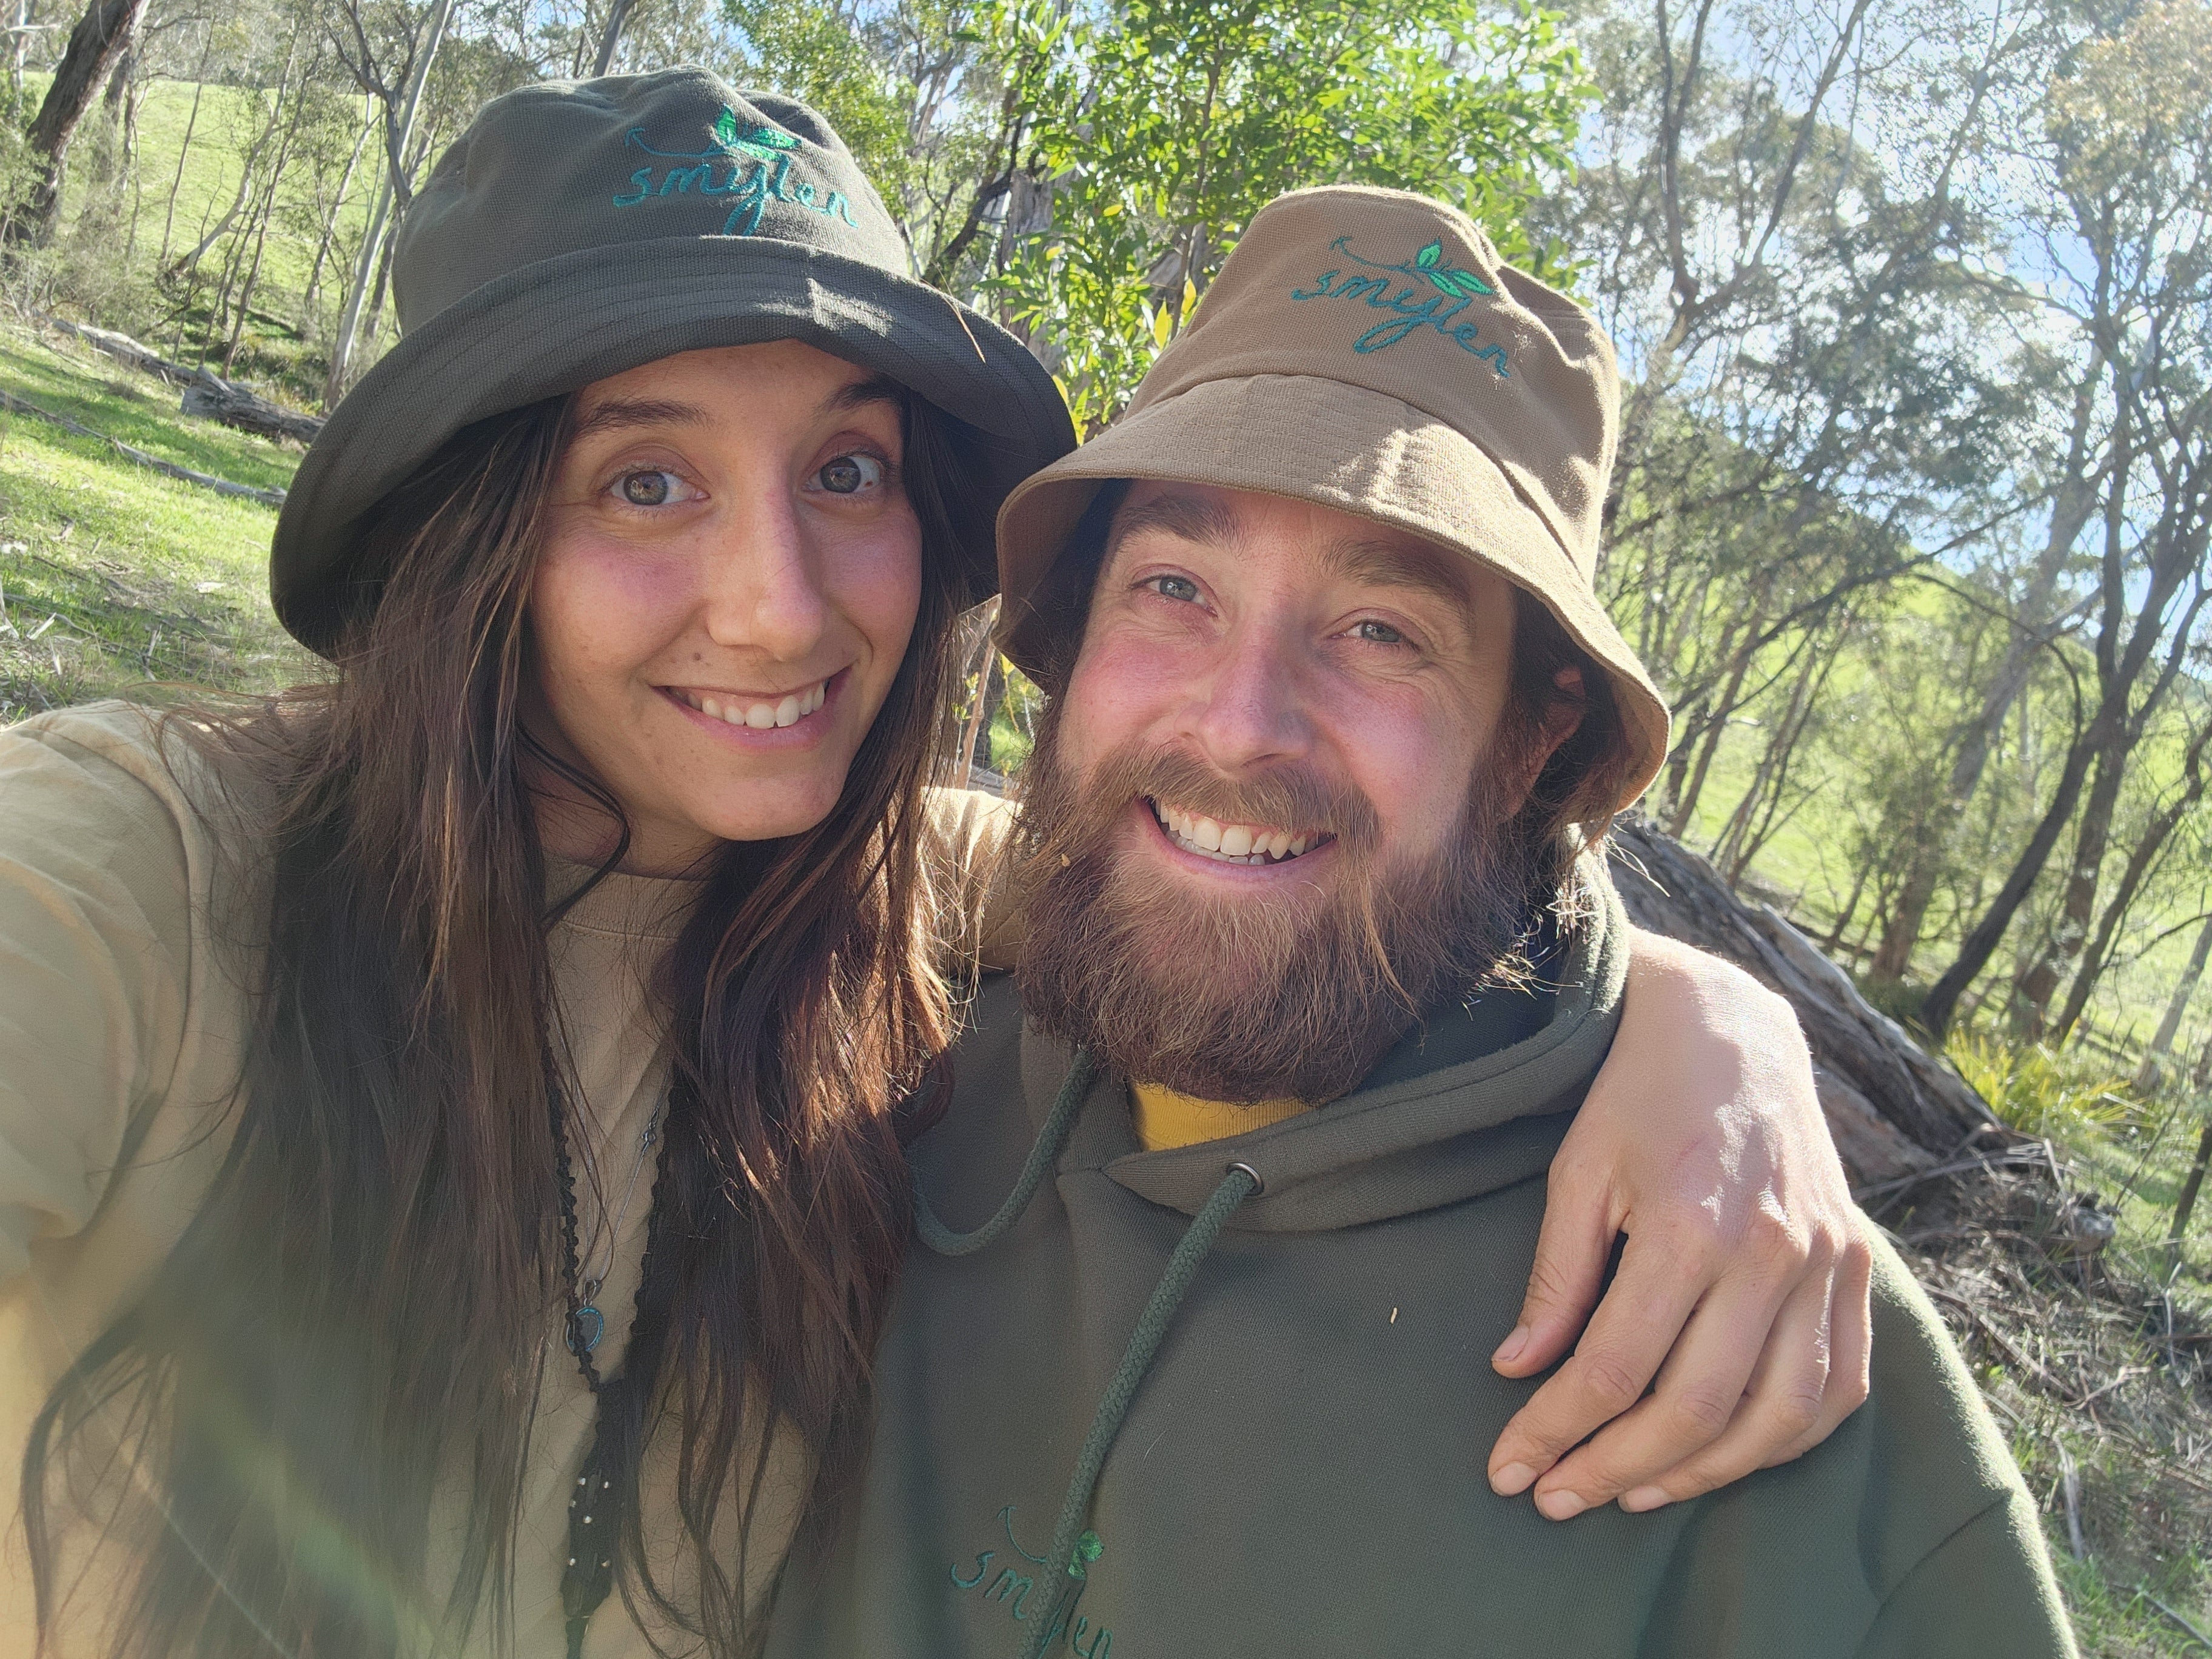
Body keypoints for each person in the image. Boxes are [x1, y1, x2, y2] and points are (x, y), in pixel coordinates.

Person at [1, 73, 1858, 1659]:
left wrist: (1702, 1021)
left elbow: (1253, 861)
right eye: (646, 482)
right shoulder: (146, 874)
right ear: (469, 539)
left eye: (850, 475)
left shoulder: (883, 917)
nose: (780, 605)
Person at [760, 185, 2076, 1658]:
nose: (1241, 723)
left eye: (1382, 631)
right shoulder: (875, 1051)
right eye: (1175, 587)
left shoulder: (1755, 1350)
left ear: (1533, 737)